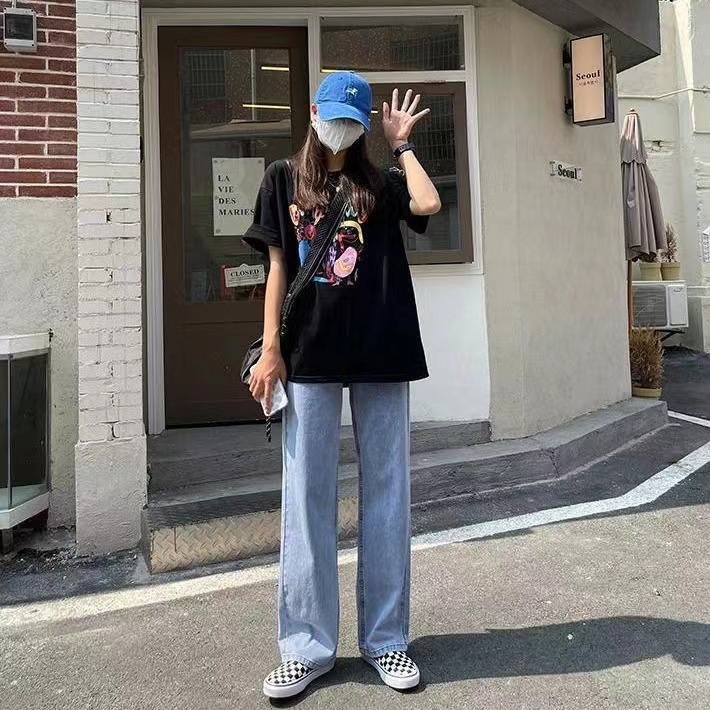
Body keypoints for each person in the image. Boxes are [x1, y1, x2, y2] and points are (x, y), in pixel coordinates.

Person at [242, 70, 441, 699]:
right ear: (312, 112)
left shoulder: (379, 182)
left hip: (382, 351)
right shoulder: (282, 178)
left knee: (387, 496)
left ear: (362, 128)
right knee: (306, 500)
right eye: (333, 119)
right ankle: (306, 648)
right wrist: (271, 349)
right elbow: (277, 266)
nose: (340, 131)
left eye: (352, 124)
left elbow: (428, 205)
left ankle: (387, 640)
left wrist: (401, 145)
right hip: (309, 356)